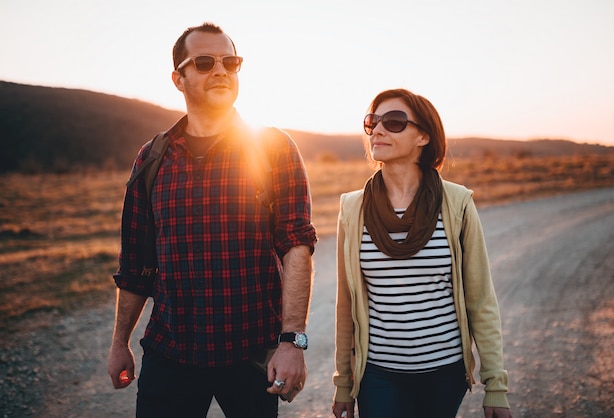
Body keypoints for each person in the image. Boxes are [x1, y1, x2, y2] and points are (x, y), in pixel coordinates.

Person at [107, 22, 317, 418]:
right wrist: (120, 343)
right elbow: (135, 265)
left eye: (230, 61)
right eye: (204, 62)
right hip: (170, 353)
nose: (221, 70)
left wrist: (290, 342)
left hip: (250, 352)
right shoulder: (151, 159)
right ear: (178, 78)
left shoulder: (273, 148)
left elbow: (296, 246)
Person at [332, 89, 512, 418]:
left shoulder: (456, 203)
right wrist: (344, 382)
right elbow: (346, 305)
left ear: (423, 137)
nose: (379, 130)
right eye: (373, 122)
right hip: (377, 373)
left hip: (444, 373)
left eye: (395, 122)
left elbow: (481, 300)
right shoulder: (352, 208)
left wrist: (495, 387)